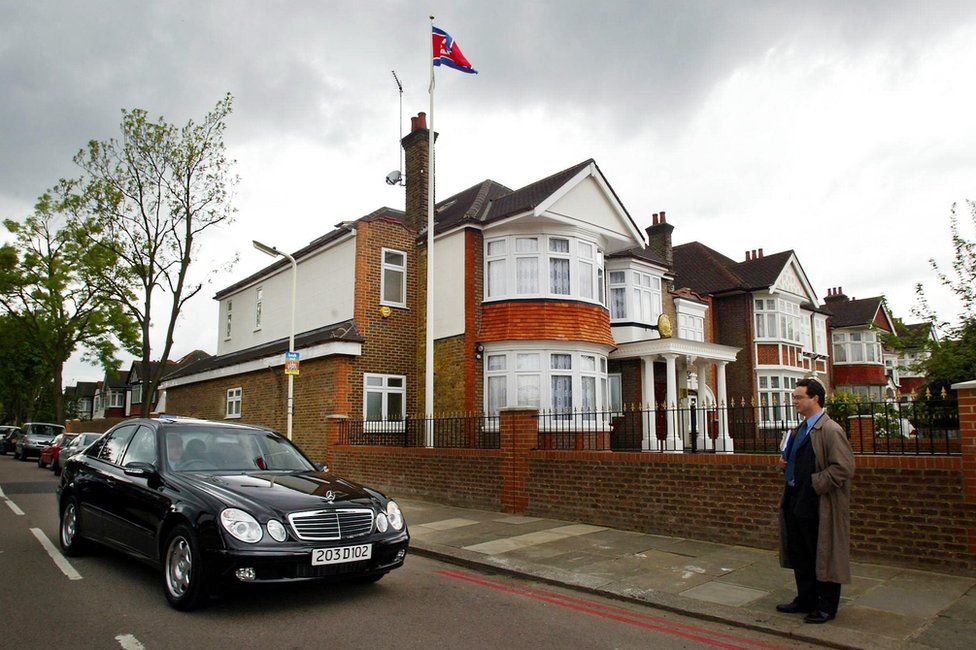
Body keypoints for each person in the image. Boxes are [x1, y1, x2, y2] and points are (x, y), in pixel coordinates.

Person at [777, 378, 855, 624]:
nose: (795, 402)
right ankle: (806, 599)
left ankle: (826, 606)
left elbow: (843, 468)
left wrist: (815, 483)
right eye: (795, 397)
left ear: (815, 399)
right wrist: (786, 466)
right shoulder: (800, 429)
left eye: (799, 397)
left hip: (817, 502)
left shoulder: (831, 430)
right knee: (801, 553)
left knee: (822, 552)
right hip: (795, 499)